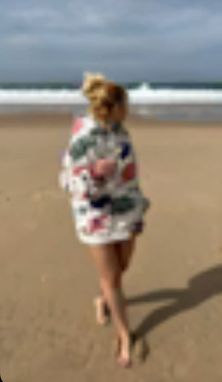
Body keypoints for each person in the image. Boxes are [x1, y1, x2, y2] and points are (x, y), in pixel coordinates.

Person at [58, 72, 150, 368]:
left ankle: (102, 300)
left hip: (126, 210)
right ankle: (124, 334)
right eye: (126, 103)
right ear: (112, 106)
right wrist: (93, 173)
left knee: (120, 269)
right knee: (112, 278)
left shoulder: (122, 131)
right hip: (95, 216)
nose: (130, 108)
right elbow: (65, 180)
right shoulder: (82, 135)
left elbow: (129, 173)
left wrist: (138, 203)